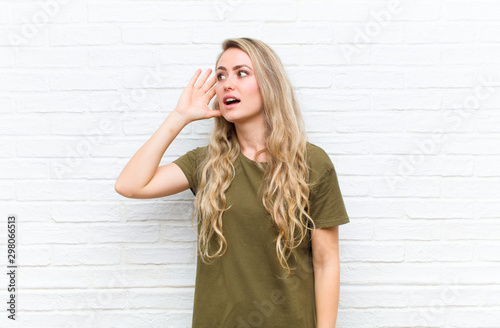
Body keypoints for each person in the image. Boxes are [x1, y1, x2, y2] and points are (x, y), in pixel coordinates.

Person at [115, 37, 350, 328]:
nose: (227, 83)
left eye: (242, 73)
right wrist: (179, 117)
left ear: (269, 84)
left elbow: (326, 263)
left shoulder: (311, 162)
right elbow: (130, 185)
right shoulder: (206, 163)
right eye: (221, 75)